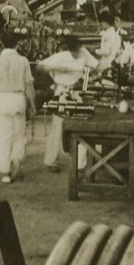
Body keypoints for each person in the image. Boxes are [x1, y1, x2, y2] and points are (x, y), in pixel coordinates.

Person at [36, 35, 99, 171]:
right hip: (62, 92)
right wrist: (57, 68)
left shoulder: (84, 53)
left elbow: (96, 66)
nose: (76, 52)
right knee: (58, 127)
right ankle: (50, 161)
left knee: (81, 125)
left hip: (77, 91)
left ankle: (80, 164)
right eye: (73, 50)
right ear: (68, 49)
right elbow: (39, 67)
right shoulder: (61, 56)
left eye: (77, 49)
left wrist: (87, 75)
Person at [0, 30, 36, 183]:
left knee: (4, 135)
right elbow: (29, 85)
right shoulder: (23, 61)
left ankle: (5, 172)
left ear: (1, 44)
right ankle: (16, 164)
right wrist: (33, 105)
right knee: (19, 135)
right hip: (18, 98)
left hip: (3, 99)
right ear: (17, 43)